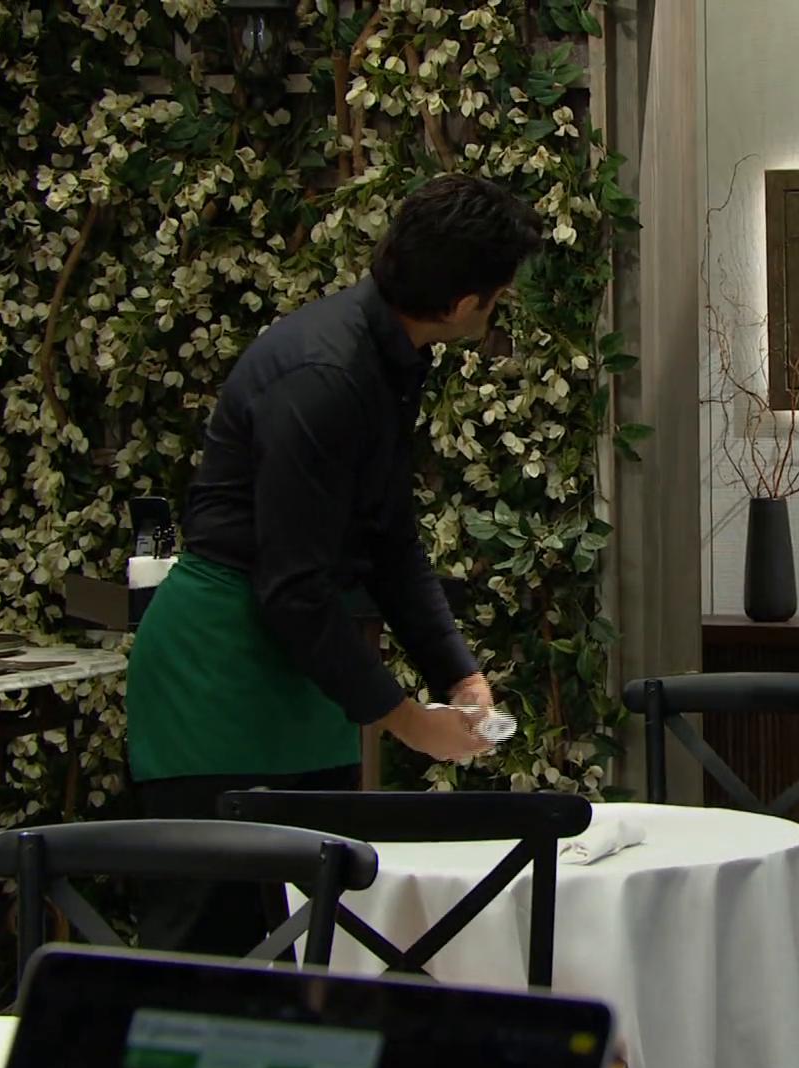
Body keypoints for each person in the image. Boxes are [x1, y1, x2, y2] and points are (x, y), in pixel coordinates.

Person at [124, 173, 544, 957]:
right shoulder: (326, 375)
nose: (498, 308)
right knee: (206, 963)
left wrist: (458, 675)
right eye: (497, 296)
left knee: (317, 951)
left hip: (304, 676)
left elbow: (387, 538)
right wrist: (409, 722)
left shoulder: (391, 356)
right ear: (463, 303)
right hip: (219, 676)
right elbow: (293, 587)